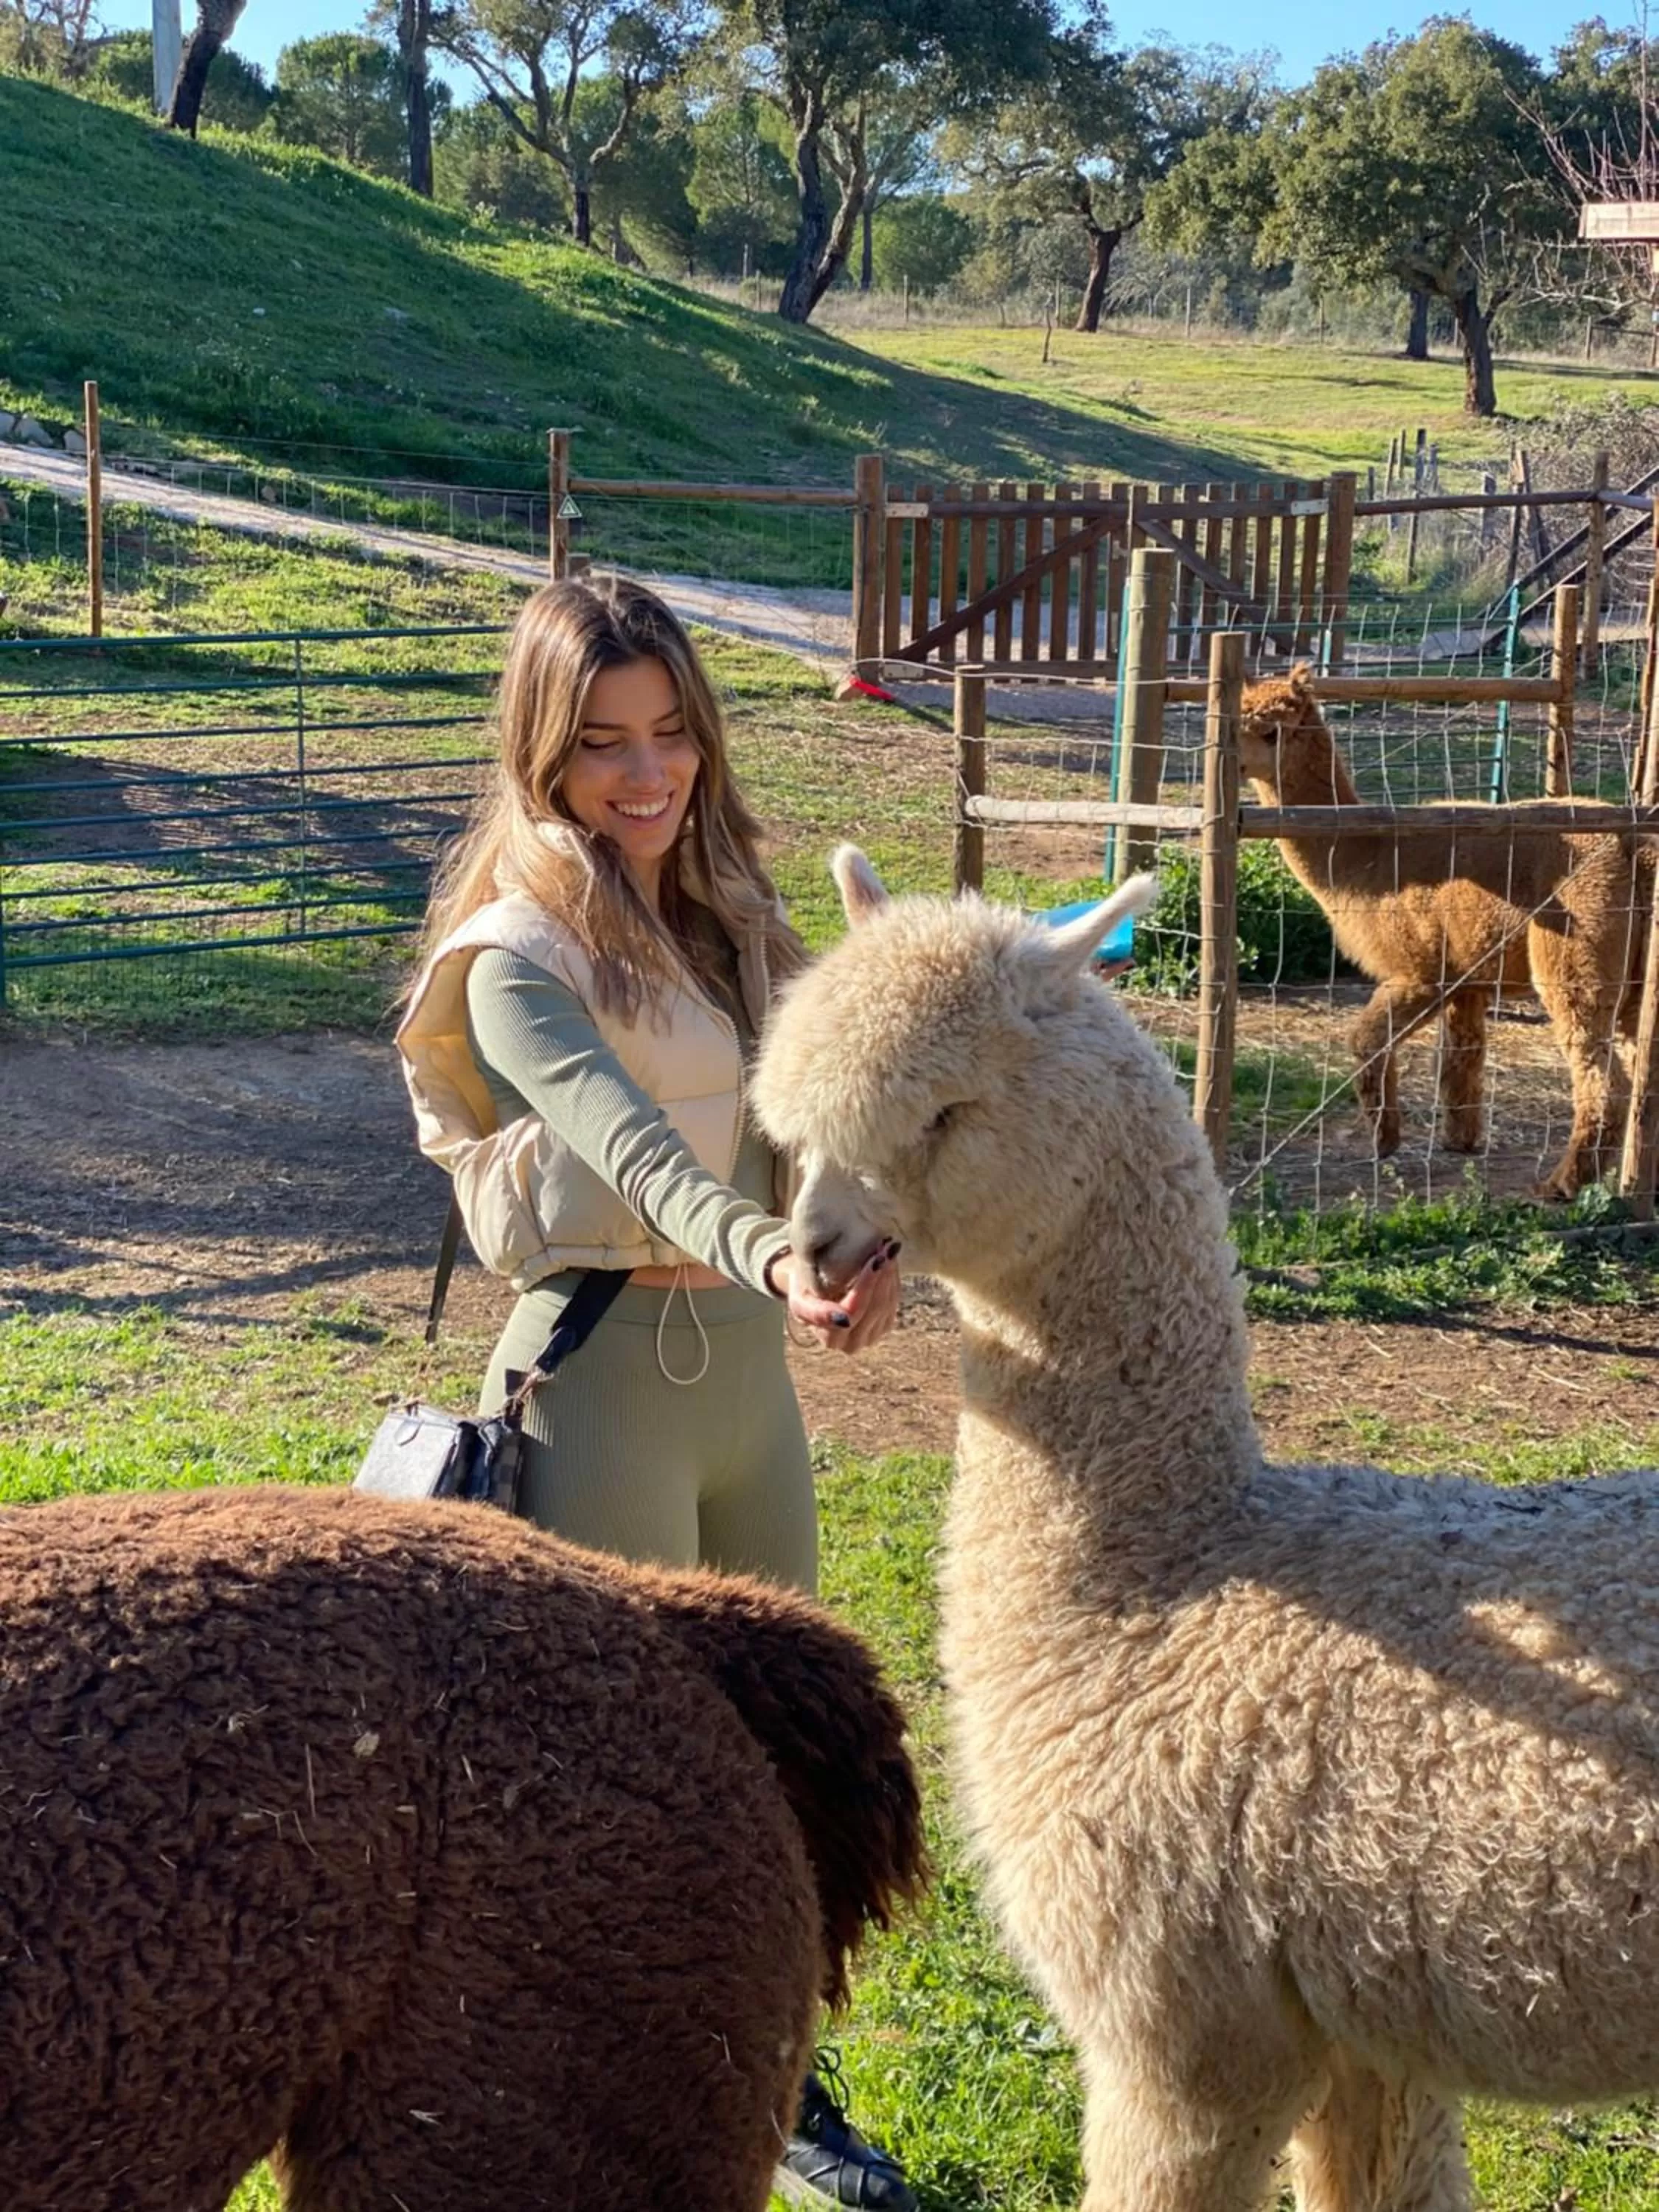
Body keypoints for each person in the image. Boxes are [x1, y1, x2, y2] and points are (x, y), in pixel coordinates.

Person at [397, 575, 916, 2212]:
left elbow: (815, 1116)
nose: (647, 773)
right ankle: (582, 2101)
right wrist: (769, 1255)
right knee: (616, 1783)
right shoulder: (511, 955)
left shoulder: (735, 912)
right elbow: (628, 1148)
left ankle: (785, 2087)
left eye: (671, 731)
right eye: (604, 742)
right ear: (541, 752)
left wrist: (870, 1246)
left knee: (782, 1761)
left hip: (749, 1395)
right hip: (602, 1379)